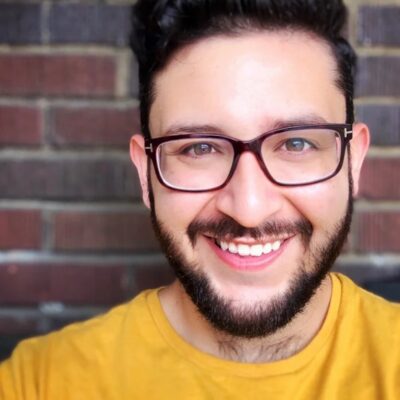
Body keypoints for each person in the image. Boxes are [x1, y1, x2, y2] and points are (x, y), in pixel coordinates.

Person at [1, 0, 399, 398]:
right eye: (199, 149)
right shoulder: (39, 383)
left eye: (296, 143)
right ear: (146, 173)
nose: (248, 209)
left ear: (353, 162)